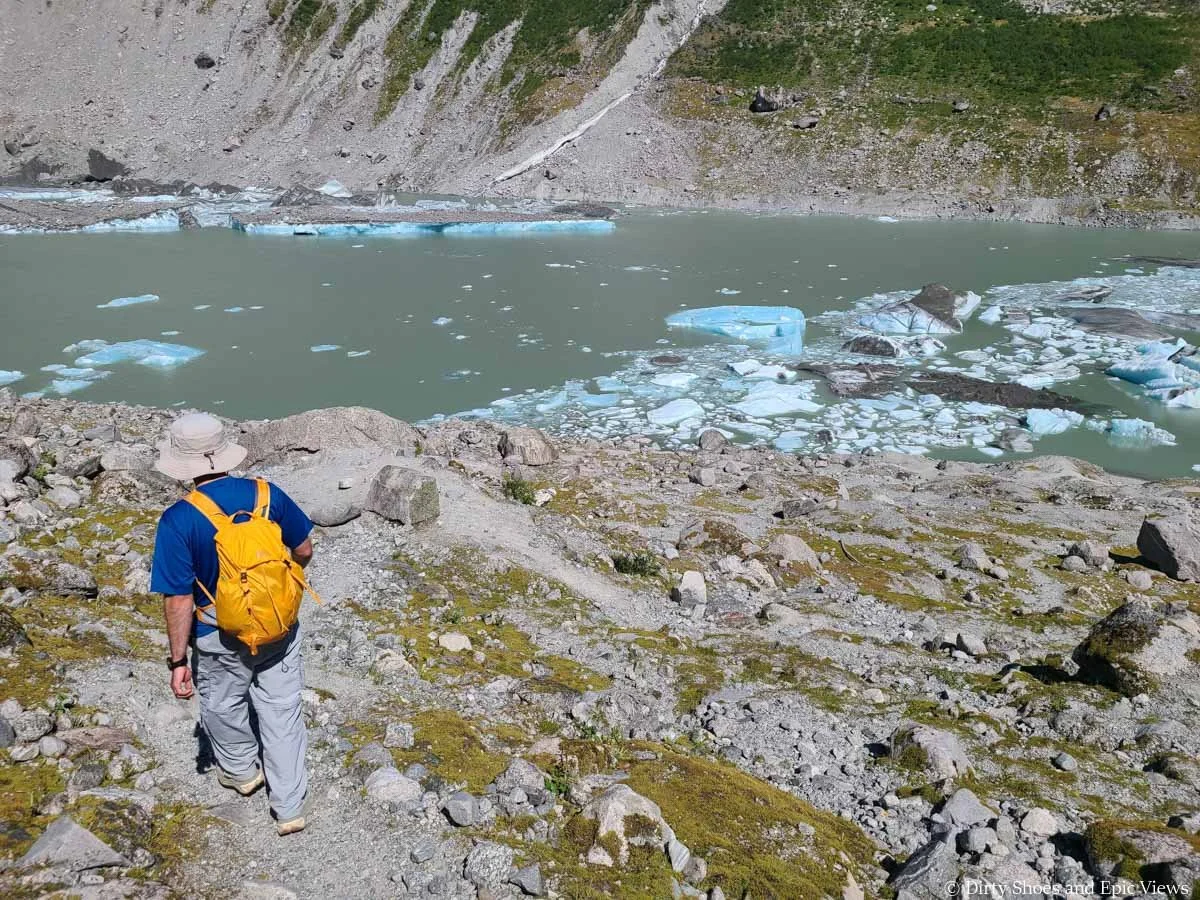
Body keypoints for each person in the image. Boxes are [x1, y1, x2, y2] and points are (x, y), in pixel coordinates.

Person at [149, 412, 316, 836]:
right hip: (279, 626)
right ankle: (290, 806)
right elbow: (305, 549)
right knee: (281, 711)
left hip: (217, 632)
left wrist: (177, 661)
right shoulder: (267, 494)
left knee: (222, 703)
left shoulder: (178, 520)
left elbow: (178, 597)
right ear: (225, 453)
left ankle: (242, 772)